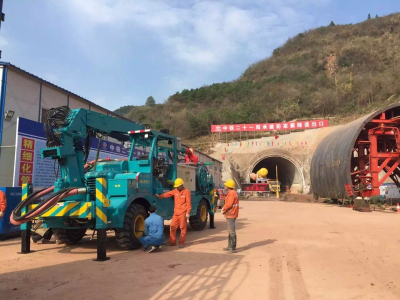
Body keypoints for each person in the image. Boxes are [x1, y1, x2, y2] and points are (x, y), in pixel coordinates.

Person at [156, 178, 191, 248]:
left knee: (182, 228)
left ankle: (181, 243)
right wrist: (160, 196)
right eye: (176, 186)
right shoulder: (175, 191)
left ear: (181, 185)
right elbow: (168, 194)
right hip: (176, 213)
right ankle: (172, 242)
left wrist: (188, 213)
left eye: (178, 186)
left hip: (183, 213)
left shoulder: (187, 192)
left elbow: (188, 203)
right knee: (172, 227)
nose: (177, 187)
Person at [222, 179, 239, 253]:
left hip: (231, 213)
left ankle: (232, 247)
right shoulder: (231, 192)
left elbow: (229, 204)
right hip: (231, 213)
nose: (224, 186)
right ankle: (230, 246)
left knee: (231, 231)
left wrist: (224, 209)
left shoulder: (231, 193)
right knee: (230, 231)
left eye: (225, 185)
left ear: (228, 186)